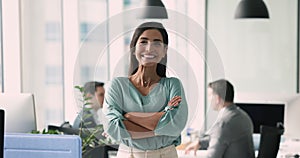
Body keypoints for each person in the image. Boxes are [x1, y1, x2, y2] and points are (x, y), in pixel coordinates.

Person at [103, 21, 188, 158]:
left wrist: (128, 116)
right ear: (133, 48)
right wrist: (161, 118)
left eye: (157, 43)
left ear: (164, 51)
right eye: (143, 42)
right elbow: (112, 127)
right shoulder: (117, 86)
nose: (149, 48)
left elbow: (175, 124)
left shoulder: (173, 85)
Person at [185, 79, 255, 158]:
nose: (209, 99)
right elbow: (222, 138)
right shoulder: (243, 116)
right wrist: (200, 142)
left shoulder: (223, 124)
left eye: (210, 95)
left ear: (217, 98)